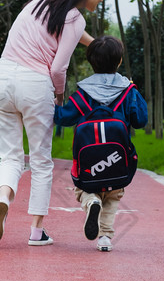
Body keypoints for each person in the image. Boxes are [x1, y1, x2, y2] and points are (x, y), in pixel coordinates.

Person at [0, 0, 109, 246]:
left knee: (10, 157)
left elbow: (71, 33)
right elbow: (57, 69)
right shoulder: (76, 18)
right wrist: (58, 93)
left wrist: (97, 45)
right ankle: (35, 231)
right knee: (41, 162)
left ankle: (4, 198)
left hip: (2, 79)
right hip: (35, 84)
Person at [54, 34, 148, 252]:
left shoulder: (83, 94)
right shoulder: (128, 91)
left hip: (88, 161)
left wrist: (52, 103)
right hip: (117, 160)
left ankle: (90, 202)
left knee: (84, 188)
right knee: (114, 195)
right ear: (120, 62)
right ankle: (105, 237)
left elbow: (63, 118)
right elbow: (141, 120)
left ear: (91, 62)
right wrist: (134, 91)